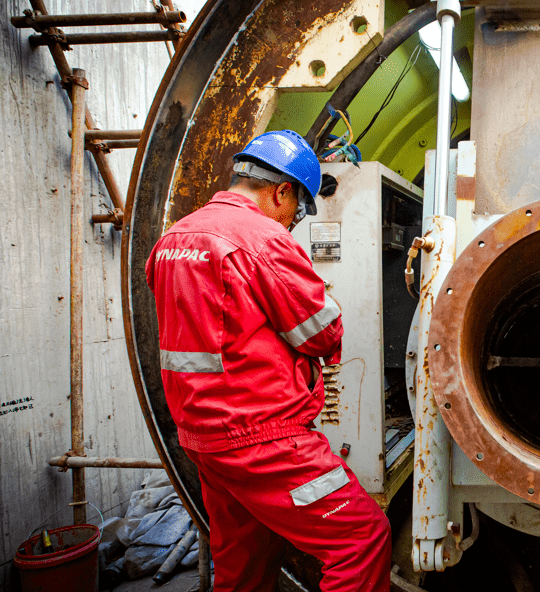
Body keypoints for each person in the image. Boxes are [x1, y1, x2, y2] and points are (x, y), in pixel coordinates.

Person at [146, 130, 391, 591]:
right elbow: (322, 333)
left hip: (203, 438)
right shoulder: (264, 239)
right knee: (361, 539)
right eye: (297, 209)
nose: (292, 222)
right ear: (281, 190)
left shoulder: (173, 238)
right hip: (263, 439)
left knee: (245, 562)